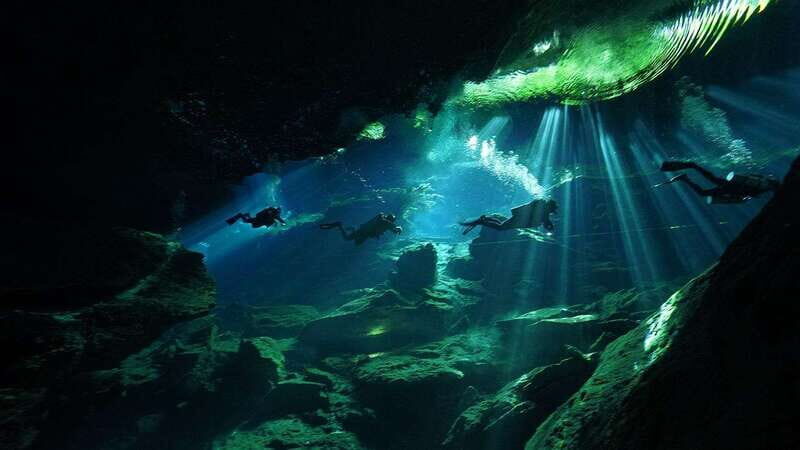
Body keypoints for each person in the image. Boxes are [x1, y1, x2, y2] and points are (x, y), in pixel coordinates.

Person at [658, 160, 780, 204]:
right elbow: (751, 190)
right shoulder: (765, 186)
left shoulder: (764, 183)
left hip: (731, 188)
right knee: (710, 183)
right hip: (732, 187)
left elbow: (750, 181)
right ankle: (691, 168)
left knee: (706, 188)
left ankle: (685, 176)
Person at [460, 199, 558, 235]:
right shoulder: (543, 210)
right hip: (520, 219)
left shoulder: (542, 208)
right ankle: (481, 221)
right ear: (550, 208)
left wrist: (550, 227)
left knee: (501, 225)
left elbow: (546, 222)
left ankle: (485, 219)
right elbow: (546, 222)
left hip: (520, 218)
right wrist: (550, 227)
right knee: (500, 227)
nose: (552, 212)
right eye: (552, 210)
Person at [319, 213, 402, 245]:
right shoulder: (385, 222)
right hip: (363, 232)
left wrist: (396, 230)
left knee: (357, 243)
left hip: (364, 232)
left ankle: (350, 228)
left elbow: (393, 229)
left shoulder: (384, 222)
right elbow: (392, 227)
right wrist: (398, 228)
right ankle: (339, 225)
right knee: (347, 238)